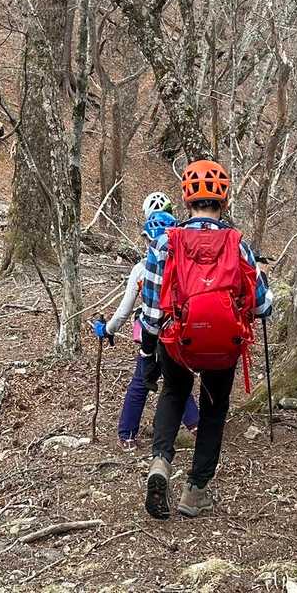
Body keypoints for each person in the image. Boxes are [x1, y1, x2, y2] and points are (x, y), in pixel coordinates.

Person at [140, 159, 273, 520]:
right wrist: (263, 281)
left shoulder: (165, 243)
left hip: (177, 340)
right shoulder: (238, 245)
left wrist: (149, 350)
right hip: (223, 345)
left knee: (173, 393)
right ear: (224, 201)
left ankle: (160, 462)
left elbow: (150, 309)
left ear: (186, 200)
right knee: (214, 409)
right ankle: (195, 491)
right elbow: (262, 306)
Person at [92, 192, 198, 448]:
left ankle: (127, 434)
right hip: (181, 331)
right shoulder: (188, 263)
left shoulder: (141, 269)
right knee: (178, 378)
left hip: (152, 333)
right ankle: (197, 426)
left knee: (141, 382)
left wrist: (107, 330)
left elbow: (124, 310)